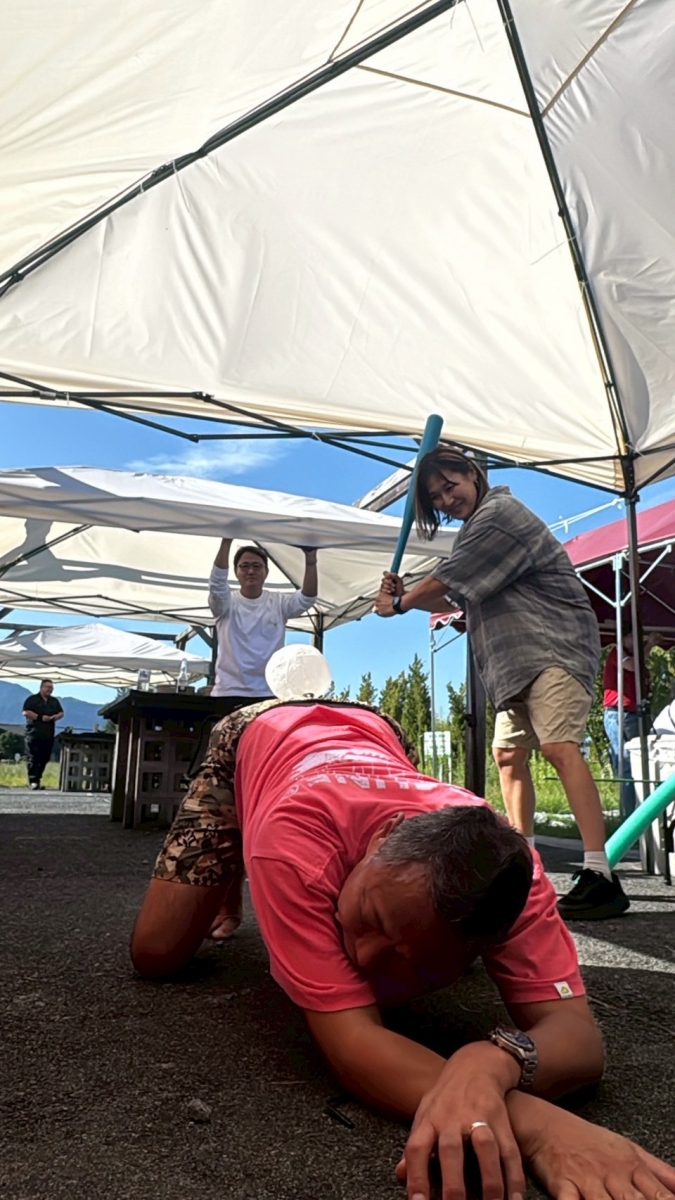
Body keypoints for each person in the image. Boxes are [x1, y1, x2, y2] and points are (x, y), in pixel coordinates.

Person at [130, 698, 675, 1200]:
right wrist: (538, 1126)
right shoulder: (292, 843)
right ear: (380, 840)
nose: (364, 958)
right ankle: (229, 871)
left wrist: (488, 1062)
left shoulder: (515, 874)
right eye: (371, 916)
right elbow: (353, 1046)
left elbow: (578, 1039)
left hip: (375, 732)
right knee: (157, 953)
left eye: (408, 958)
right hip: (259, 730)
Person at [373, 445, 627, 921]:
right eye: (436, 497)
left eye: (450, 486)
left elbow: (447, 579)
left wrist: (400, 603)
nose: (446, 500)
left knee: (558, 747)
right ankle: (524, 864)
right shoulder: (473, 533)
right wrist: (406, 597)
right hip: (514, 662)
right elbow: (454, 596)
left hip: (554, 648)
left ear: (473, 474)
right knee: (507, 755)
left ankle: (600, 874)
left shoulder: (500, 515)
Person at [208, 539, 318, 706]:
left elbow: (307, 598)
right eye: (244, 566)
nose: (251, 571)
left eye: (257, 566)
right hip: (228, 693)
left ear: (266, 572)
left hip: (270, 694)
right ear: (236, 572)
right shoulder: (225, 604)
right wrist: (226, 540)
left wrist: (311, 562)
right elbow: (216, 585)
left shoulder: (279, 603)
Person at [602, 627, 654, 819]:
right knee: (627, 764)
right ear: (623, 638)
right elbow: (632, 665)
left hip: (632, 712)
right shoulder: (618, 652)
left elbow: (639, 663)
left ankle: (639, 811)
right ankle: (629, 816)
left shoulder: (634, 655)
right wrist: (649, 645)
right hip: (619, 713)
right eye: (633, 637)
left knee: (641, 762)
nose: (637, 641)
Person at [22, 678, 64, 790]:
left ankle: (38, 779)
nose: (49, 689)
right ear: (41, 687)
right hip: (33, 733)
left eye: (51, 688)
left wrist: (56, 717)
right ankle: (33, 781)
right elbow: (25, 712)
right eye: (47, 687)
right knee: (33, 757)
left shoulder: (54, 701)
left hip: (48, 734)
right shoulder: (32, 699)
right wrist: (40, 717)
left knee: (44, 757)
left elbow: (61, 712)